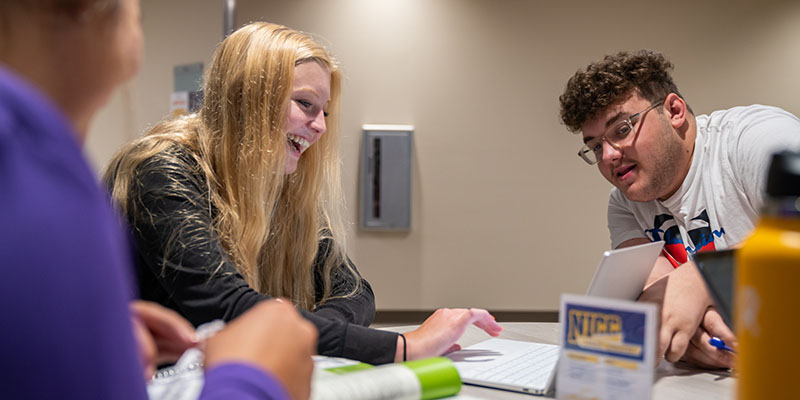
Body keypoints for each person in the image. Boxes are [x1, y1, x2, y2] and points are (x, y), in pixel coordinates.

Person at [104, 21, 502, 366]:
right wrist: (405, 346)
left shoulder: (277, 184)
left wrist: (296, 328)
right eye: (305, 104)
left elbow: (354, 291)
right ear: (250, 101)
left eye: (325, 111)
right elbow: (226, 308)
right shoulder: (160, 170)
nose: (320, 127)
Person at [0, 1, 318, 399]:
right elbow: (224, 301)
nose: (319, 125)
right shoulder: (32, 169)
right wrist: (250, 379)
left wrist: (87, 329)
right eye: (138, 14)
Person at [558, 50, 800, 369]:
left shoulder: (756, 139)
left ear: (674, 110)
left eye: (621, 130)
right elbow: (654, 296)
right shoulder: (625, 203)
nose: (607, 157)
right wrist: (693, 337)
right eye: (596, 146)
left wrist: (702, 278)